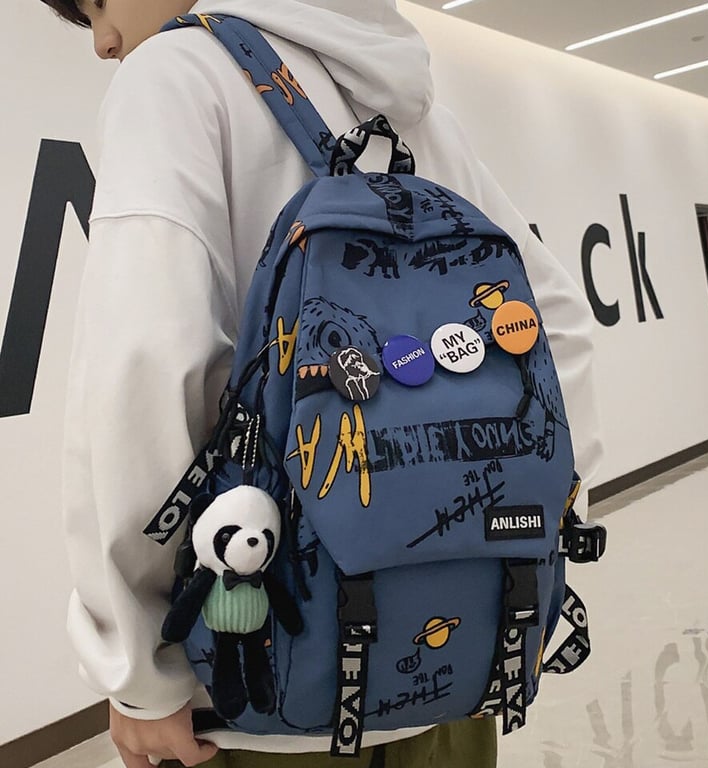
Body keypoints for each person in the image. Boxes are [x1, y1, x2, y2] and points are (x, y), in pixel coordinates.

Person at [42, 1, 603, 767]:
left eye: (98, 4)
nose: (103, 41)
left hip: (271, 690)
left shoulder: (172, 77)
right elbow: (554, 323)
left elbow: (142, 371)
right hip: (465, 668)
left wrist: (139, 669)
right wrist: (529, 542)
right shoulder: (412, 106)